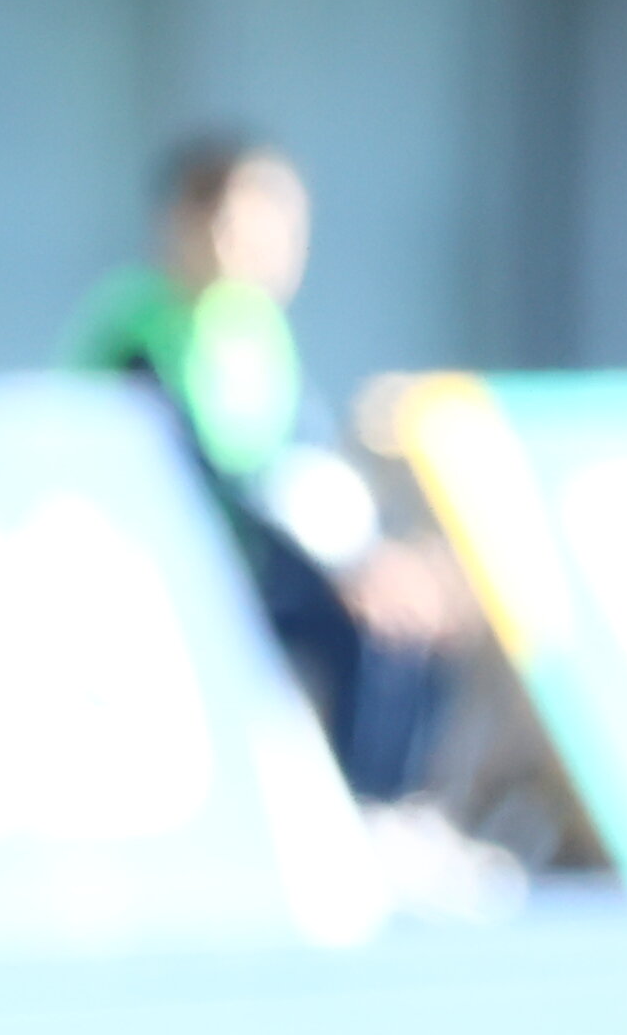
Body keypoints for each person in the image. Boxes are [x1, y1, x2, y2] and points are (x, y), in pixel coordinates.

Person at [64, 128, 465, 804]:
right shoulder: (141, 332)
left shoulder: (252, 328)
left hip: (256, 565)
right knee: (360, 615)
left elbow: (306, 459)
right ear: (190, 222)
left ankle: (389, 811)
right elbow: (205, 483)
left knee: (414, 603)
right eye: (255, 218)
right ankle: (363, 815)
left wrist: (377, 553)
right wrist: (345, 568)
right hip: (165, 574)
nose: (277, 243)